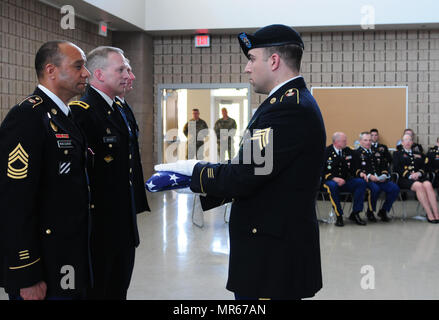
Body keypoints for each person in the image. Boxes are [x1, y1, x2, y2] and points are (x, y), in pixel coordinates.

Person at [155, 24, 325, 300]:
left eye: (251, 59)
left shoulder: (286, 108)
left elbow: (247, 175)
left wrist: (194, 173)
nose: (247, 68)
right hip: (272, 247)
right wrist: (200, 179)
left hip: (272, 256)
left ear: (274, 61)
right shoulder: (284, 103)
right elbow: (258, 170)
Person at [0, 40, 92, 300]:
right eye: (78, 66)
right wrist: (26, 273)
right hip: (44, 266)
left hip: (69, 257)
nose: (86, 73)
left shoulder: (64, 116)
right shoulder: (28, 116)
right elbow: (14, 201)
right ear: (51, 70)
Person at [69, 46, 150, 299]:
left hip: (121, 226)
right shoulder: (82, 112)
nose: (130, 75)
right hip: (98, 231)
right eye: (122, 69)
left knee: (118, 290)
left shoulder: (119, 109)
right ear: (100, 75)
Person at [322, 132, 367, 226]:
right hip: (330, 181)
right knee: (332, 186)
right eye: (344, 141)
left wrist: (360, 173)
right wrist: (333, 178)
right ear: (337, 142)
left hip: (345, 181)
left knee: (361, 183)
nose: (346, 142)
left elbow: (354, 167)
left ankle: (355, 213)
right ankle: (339, 216)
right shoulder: (326, 152)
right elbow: (320, 171)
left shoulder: (348, 151)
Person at [393, 134, 439, 222]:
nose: (407, 142)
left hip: (418, 177)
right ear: (402, 143)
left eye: (410, 140)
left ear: (412, 142)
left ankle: (436, 214)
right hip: (404, 179)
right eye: (405, 140)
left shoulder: (418, 154)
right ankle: (429, 214)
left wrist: (419, 173)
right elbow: (397, 168)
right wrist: (409, 175)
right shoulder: (397, 154)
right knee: (419, 185)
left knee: (428, 184)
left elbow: (424, 167)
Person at [355, 132, 399, 222]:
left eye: (370, 140)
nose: (368, 142)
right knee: (375, 188)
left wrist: (383, 175)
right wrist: (369, 176)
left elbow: (384, 166)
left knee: (394, 188)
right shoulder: (356, 153)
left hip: (380, 179)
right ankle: (370, 212)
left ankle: (384, 210)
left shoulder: (377, 152)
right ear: (360, 141)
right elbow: (356, 169)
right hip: (367, 180)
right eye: (365, 140)